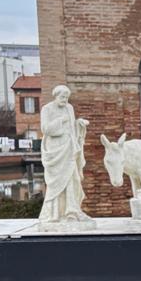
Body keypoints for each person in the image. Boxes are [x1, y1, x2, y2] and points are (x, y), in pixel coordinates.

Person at [37, 85, 90, 225]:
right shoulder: (47, 109)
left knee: (73, 179)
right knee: (57, 182)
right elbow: (45, 129)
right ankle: (55, 213)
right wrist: (60, 120)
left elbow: (72, 127)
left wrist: (79, 124)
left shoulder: (69, 108)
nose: (65, 100)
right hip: (55, 149)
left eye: (66, 97)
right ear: (55, 96)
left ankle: (72, 211)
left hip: (68, 147)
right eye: (62, 97)